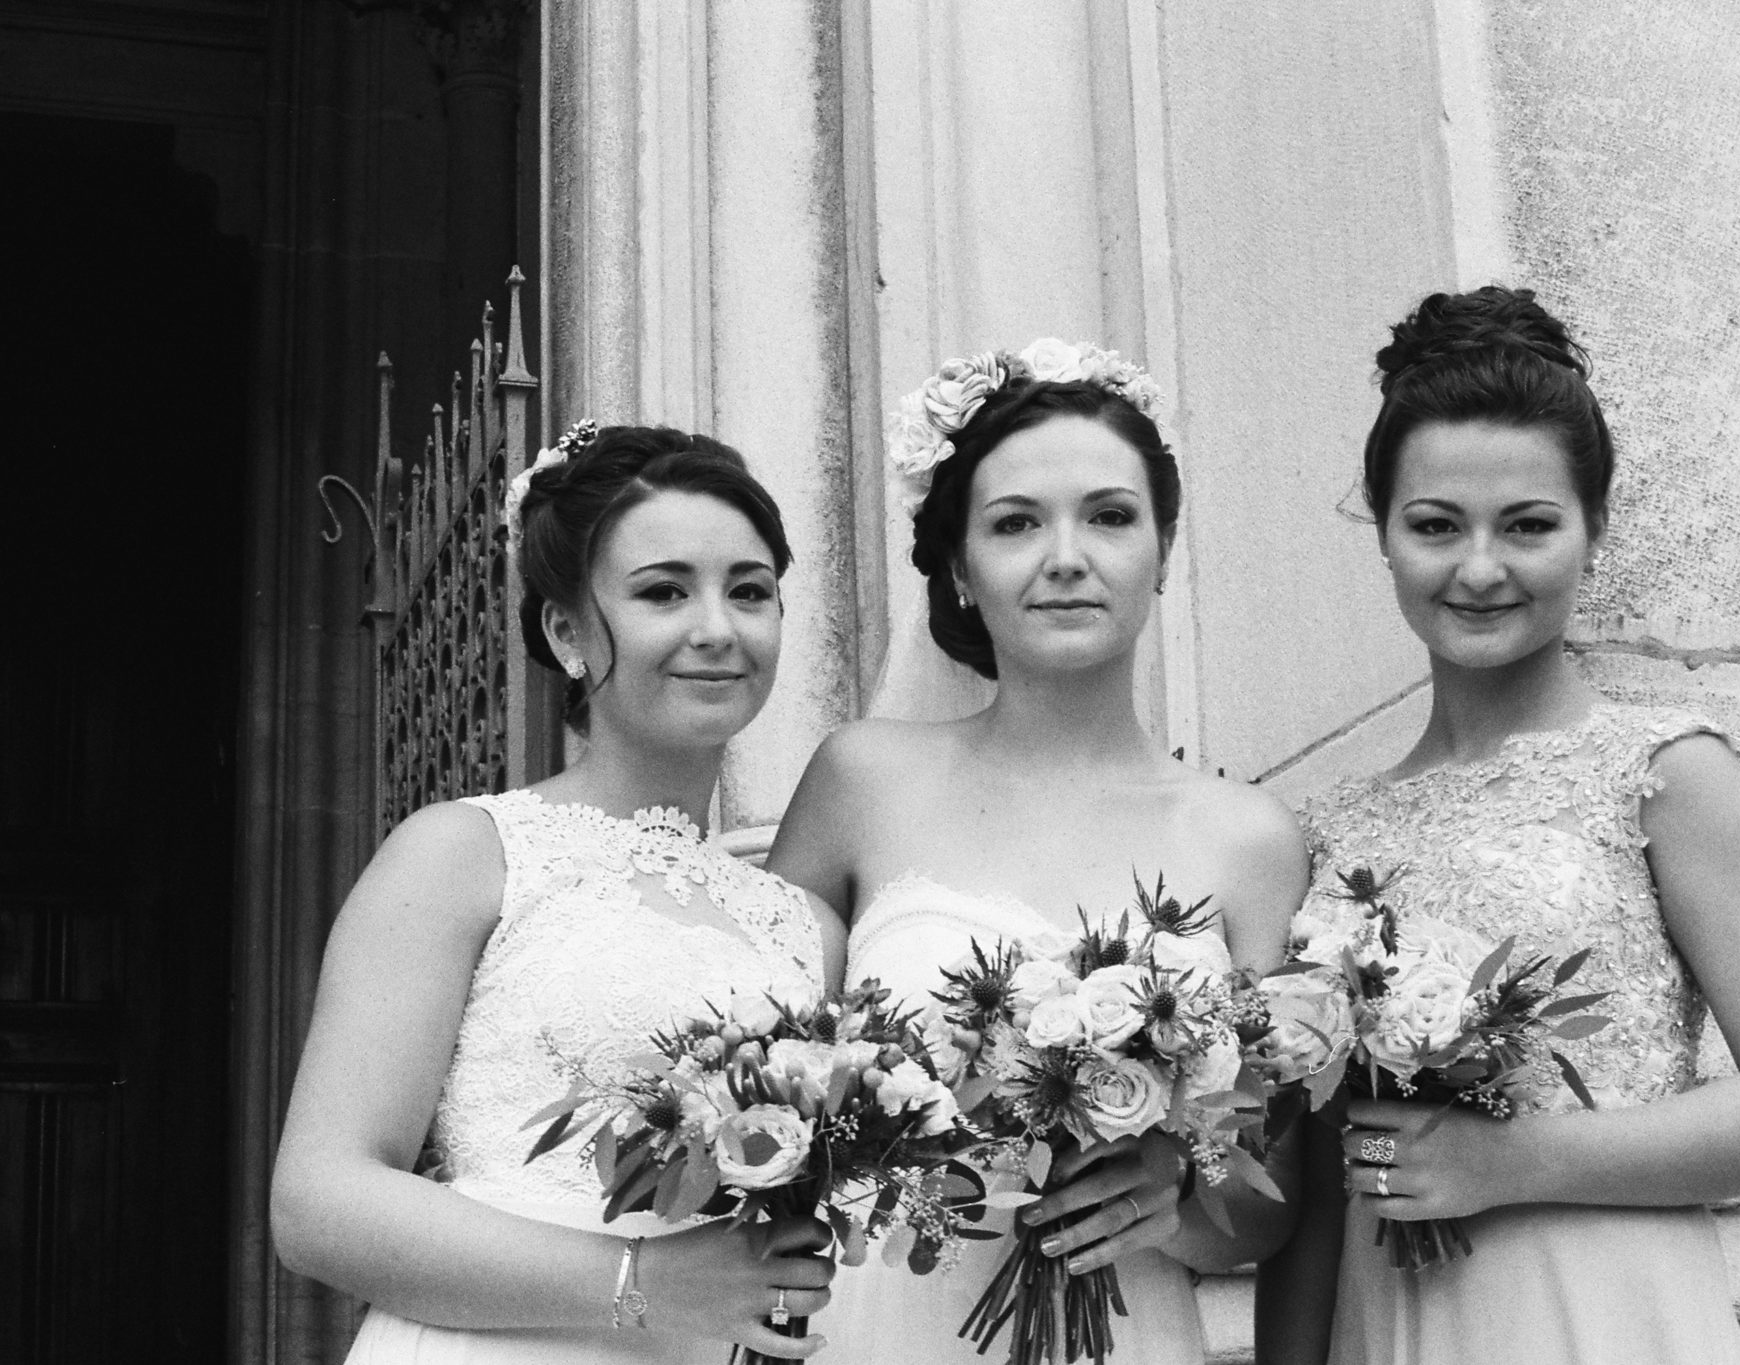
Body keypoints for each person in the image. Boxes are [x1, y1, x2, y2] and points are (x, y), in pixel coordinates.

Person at [1255, 288, 1740, 1365]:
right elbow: (1310, 1199)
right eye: (1435, 525)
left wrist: (1513, 1162)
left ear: (1595, 528)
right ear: (1383, 533)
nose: (1479, 568)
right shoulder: (1327, 830)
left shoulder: (1663, 775)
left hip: (1597, 1311)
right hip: (1386, 1319)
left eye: (1528, 525)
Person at [768, 339, 1310, 1364]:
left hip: (1127, 1329)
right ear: (963, 570)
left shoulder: (1247, 838)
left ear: (1162, 549)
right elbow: (770, 1087)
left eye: (1108, 516)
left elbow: (1272, 1204)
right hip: (879, 1323)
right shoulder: (859, 782)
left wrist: (1176, 1194)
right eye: (1016, 524)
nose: (1066, 556)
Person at [271, 425, 848, 1364]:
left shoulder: (801, 923)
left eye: (749, 591)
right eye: (665, 590)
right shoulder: (465, 852)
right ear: (566, 631)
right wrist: (645, 1285)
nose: (717, 627)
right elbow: (318, 1200)